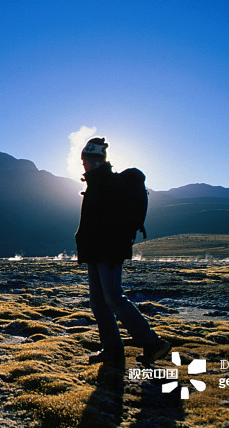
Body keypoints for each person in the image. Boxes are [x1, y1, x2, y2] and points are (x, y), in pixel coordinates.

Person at [74, 136, 170, 366]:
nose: (83, 164)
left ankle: (153, 343)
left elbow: (113, 223)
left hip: (107, 252)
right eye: (83, 160)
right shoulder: (96, 183)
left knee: (114, 298)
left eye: (86, 160)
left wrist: (107, 247)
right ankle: (113, 350)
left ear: (97, 161)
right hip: (96, 252)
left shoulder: (109, 184)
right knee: (99, 303)